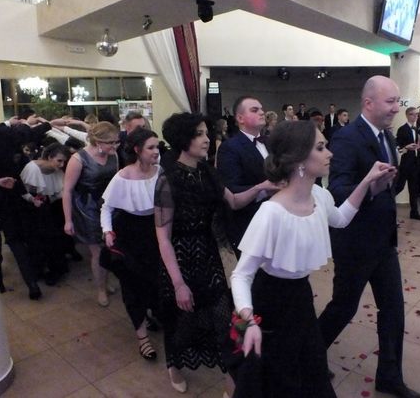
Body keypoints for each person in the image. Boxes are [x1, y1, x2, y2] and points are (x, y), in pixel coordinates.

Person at [231, 120, 395, 398]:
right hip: (270, 302)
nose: (329, 153)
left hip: (301, 298)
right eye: (320, 147)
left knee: (313, 370)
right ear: (299, 160)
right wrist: (249, 321)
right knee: (277, 380)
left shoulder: (319, 195)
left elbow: (341, 219)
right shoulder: (271, 213)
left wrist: (367, 181)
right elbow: (241, 274)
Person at [318, 76, 420, 398]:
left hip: (383, 241)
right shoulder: (348, 137)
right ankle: (309, 354)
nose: (396, 108)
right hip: (355, 243)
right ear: (368, 103)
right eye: (390, 102)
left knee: (393, 310)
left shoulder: (387, 137)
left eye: (397, 102)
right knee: (344, 307)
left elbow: (389, 185)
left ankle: (389, 376)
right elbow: (338, 190)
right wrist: (370, 187)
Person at [154, 112, 276, 394]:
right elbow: (163, 238)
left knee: (223, 319)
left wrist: (261, 187)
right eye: (199, 134)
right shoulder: (168, 180)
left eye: (206, 132)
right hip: (180, 258)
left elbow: (233, 202)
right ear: (183, 139)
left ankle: (231, 383)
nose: (207, 139)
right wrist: (178, 283)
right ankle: (174, 365)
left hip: (208, 255)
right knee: (182, 321)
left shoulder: (208, 171)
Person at [100, 128, 163, 361]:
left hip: (155, 232)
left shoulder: (160, 171)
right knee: (132, 287)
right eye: (151, 147)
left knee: (155, 282)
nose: (156, 151)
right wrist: (107, 231)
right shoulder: (123, 176)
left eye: (157, 147)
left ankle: (151, 314)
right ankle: (142, 337)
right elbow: (107, 207)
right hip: (129, 234)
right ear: (137, 150)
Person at [0, 94, 51, 299]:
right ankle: (32, 285)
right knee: (15, 239)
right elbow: (36, 132)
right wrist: (40, 123)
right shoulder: (9, 133)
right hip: (10, 192)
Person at [62, 121, 119, 307]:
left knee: (109, 247)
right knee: (97, 250)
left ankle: (106, 280)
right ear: (98, 142)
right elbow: (67, 190)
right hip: (87, 208)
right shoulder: (78, 159)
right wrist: (68, 220)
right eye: (110, 142)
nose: (115, 146)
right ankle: (100, 288)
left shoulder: (113, 155)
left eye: (116, 142)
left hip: (109, 206)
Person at [217, 96, 273, 256]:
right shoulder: (230, 147)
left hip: (276, 220)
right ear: (240, 118)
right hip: (249, 222)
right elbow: (232, 189)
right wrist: (265, 190)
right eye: (255, 110)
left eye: (261, 109)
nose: (261, 113)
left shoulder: (270, 142)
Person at [20, 143, 71, 286]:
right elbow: (24, 191)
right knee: (37, 242)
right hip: (32, 210)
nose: (62, 165)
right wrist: (34, 200)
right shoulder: (32, 169)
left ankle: (55, 270)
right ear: (49, 157)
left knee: (54, 240)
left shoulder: (58, 171)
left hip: (50, 209)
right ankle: (39, 269)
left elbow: (59, 192)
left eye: (64, 161)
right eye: (59, 161)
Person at [395, 107, 420, 220]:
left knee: (413, 189)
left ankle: (414, 212)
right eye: (412, 114)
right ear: (407, 115)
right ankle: (385, 203)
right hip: (405, 162)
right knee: (399, 186)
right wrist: (406, 147)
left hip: (414, 162)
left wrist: (419, 147)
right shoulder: (402, 129)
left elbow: (416, 144)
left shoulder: (417, 129)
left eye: (416, 114)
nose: (415, 116)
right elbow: (397, 146)